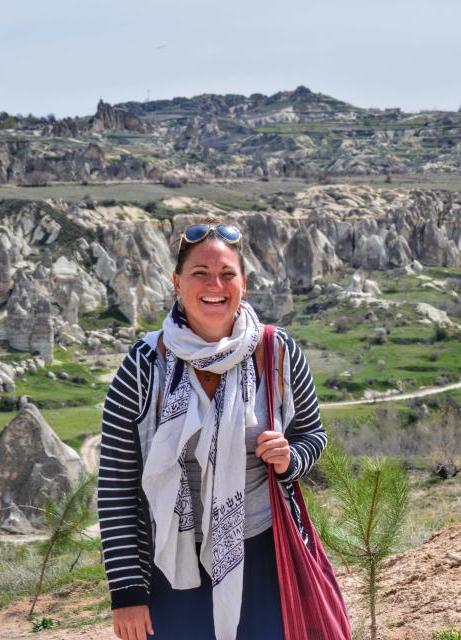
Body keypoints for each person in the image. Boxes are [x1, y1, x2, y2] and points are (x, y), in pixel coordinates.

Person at [98, 218, 327, 640]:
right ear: (176, 282)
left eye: (226, 274)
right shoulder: (143, 366)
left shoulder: (276, 351)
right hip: (172, 563)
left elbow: (314, 436)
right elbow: (116, 485)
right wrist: (127, 592)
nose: (214, 285)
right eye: (200, 274)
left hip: (265, 557)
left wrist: (290, 458)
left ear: (243, 283)